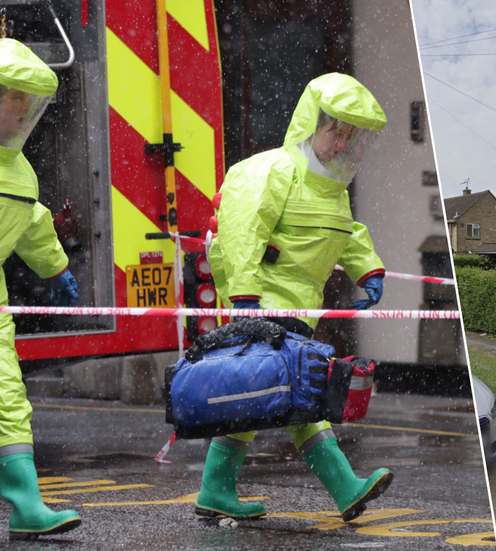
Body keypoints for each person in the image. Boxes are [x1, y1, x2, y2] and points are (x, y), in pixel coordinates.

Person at [199, 73, 390, 522]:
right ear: (311, 123)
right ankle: (345, 488)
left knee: (268, 399)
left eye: (348, 134)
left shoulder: (331, 188)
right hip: (264, 308)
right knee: (299, 396)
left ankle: (215, 490)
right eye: (333, 130)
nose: (340, 143)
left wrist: (369, 270)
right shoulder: (272, 170)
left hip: (297, 312)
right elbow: (243, 233)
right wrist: (245, 300)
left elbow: (347, 233)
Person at [0, 39, 81, 540]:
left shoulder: (20, 171)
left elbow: (31, 223)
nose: (27, 113)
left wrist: (56, 270)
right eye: (18, 100)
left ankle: (27, 506)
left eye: (32, 104)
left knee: (10, 398)